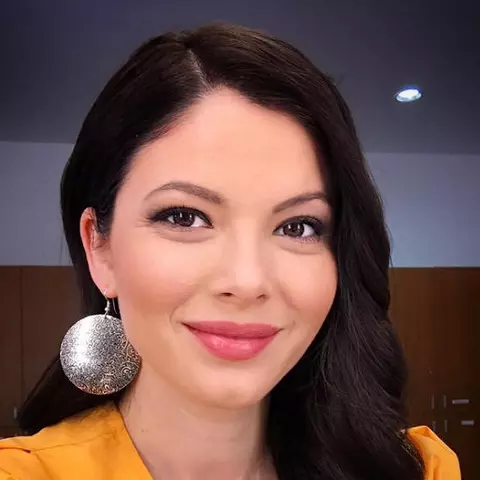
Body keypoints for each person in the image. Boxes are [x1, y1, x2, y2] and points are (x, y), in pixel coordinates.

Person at [0, 23, 460, 480]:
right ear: (99, 248)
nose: (247, 281)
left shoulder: (421, 470)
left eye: (297, 227)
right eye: (184, 217)